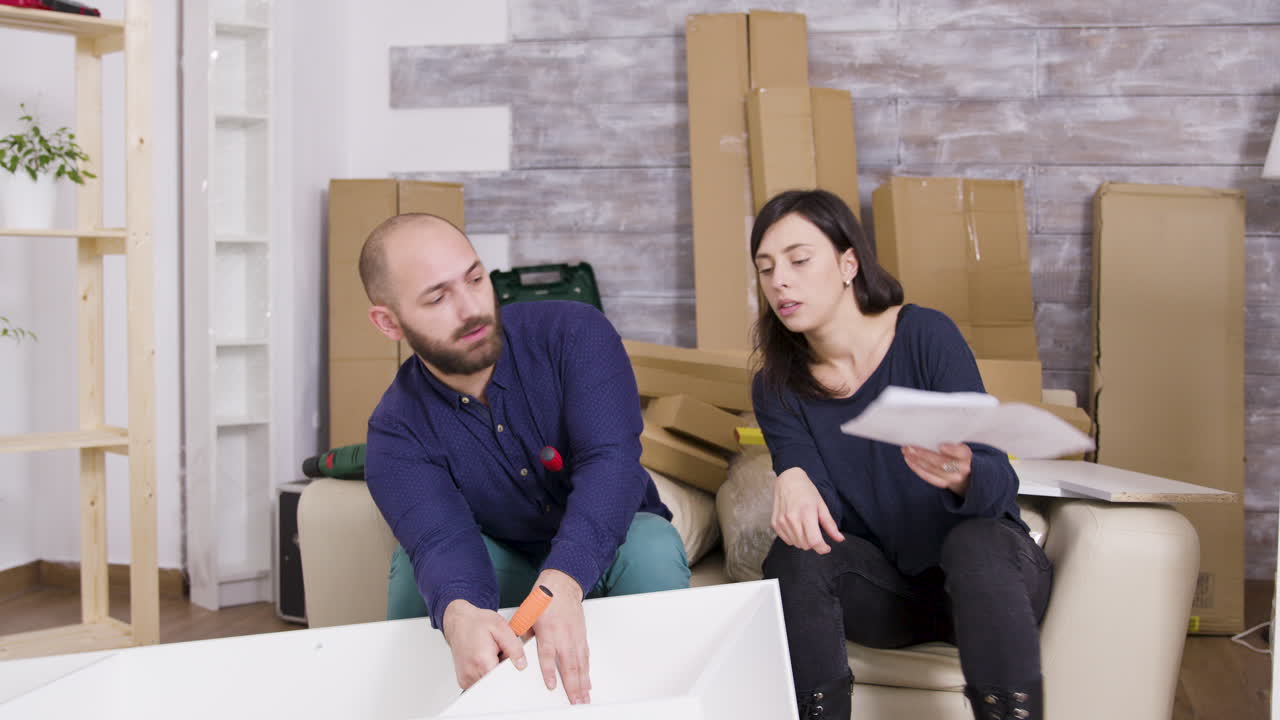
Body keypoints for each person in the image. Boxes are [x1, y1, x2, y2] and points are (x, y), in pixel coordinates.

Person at [358, 213, 691, 704]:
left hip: (611, 546)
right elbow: (441, 540)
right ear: (389, 322)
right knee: (419, 580)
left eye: (475, 279)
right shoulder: (394, 431)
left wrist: (562, 581)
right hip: (503, 557)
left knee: (653, 545)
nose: (472, 307)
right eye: (437, 297)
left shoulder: (574, 334)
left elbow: (612, 464)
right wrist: (460, 615)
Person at [748, 190, 1051, 720]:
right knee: (793, 555)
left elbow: (1000, 487)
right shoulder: (777, 386)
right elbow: (825, 520)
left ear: (848, 263)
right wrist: (791, 474)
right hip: (891, 598)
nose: (780, 282)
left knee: (975, 543)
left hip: (989, 583)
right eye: (766, 268)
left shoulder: (925, 336)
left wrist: (965, 474)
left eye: (799, 261)